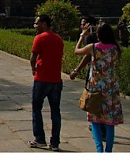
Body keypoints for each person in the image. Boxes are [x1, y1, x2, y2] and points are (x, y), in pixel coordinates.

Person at [74, 22, 124, 153]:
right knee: (110, 122)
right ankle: (109, 151)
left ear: (98, 35)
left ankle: (99, 149)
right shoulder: (116, 48)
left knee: (95, 120)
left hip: (96, 89)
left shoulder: (94, 47)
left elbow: (76, 51)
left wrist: (82, 35)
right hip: (111, 89)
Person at [29, 14, 64, 151]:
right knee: (55, 111)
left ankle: (40, 139)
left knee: (37, 108)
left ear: (44, 24)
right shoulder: (59, 39)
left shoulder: (39, 38)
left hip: (42, 79)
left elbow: (33, 57)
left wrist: (33, 69)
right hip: (56, 80)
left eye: (37, 23)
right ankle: (55, 143)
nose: (35, 26)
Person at [69, 16, 98, 80]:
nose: (82, 27)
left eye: (84, 24)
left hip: (93, 68)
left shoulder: (89, 37)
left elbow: (87, 55)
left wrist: (76, 70)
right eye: (81, 25)